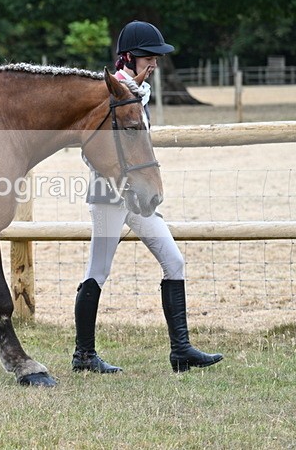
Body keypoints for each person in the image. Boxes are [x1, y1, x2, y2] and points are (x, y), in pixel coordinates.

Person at [72, 20, 224, 373]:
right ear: (129, 57)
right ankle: (83, 356)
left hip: (138, 198)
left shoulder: (138, 92)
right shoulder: (108, 93)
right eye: (148, 57)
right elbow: (90, 149)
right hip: (108, 195)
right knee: (98, 270)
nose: (154, 63)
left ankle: (181, 350)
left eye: (155, 58)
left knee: (175, 261)